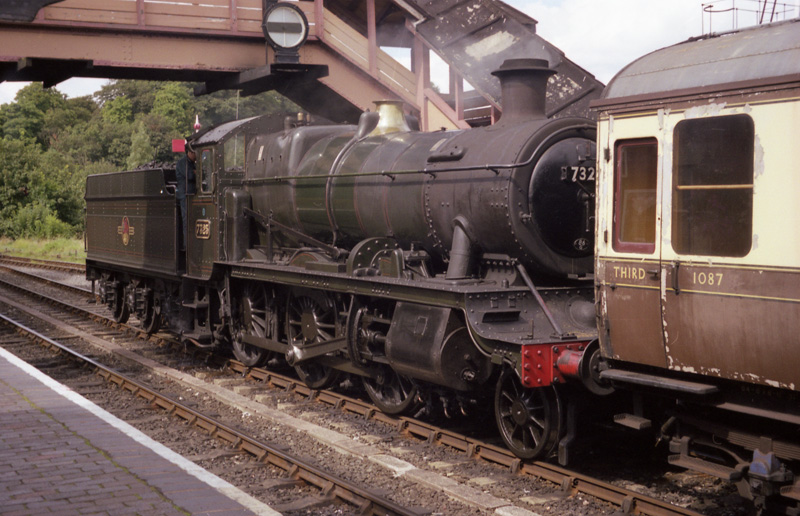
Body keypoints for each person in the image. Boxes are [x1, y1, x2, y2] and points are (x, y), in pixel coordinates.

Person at [175, 143, 196, 251]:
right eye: (195, 153)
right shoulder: (183, 163)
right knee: (186, 220)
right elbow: (190, 176)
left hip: (193, 194)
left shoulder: (193, 163)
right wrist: (196, 172)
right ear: (190, 152)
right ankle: (186, 245)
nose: (196, 156)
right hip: (184, 195)